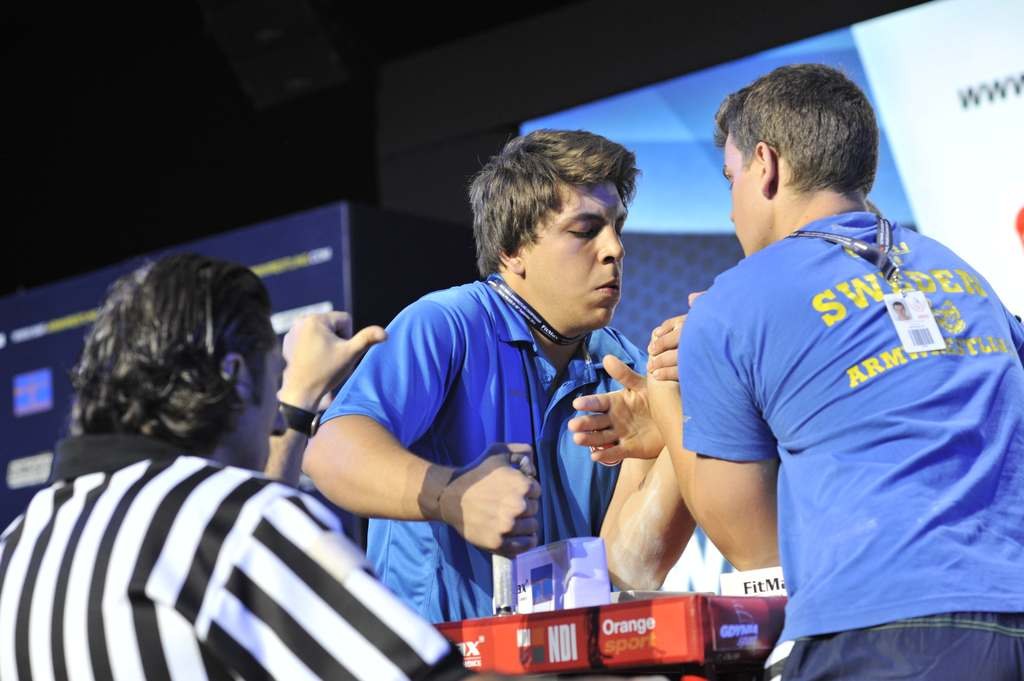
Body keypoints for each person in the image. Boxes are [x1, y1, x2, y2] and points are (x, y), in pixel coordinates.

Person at [641, 64, 1024, 680]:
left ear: (765, 165)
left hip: (881, 633)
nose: (733, 210)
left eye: (730, 179)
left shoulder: (729, 306)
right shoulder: (966, 277)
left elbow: (756, 551)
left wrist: (669, 398)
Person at [0, 254, 480, 680]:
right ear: (233, 375)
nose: (275, 417)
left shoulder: (19, 545)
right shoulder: (228, 518)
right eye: (273, 384)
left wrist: (298, 400)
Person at [305, 130, 693, 622]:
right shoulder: (446, 323)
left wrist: (685, 418)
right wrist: (451, 496)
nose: (615, 249)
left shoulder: (629, 370)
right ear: (513, 250)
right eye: (585, 230)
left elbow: (626, 571)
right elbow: (330, 453)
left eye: (617, 227)